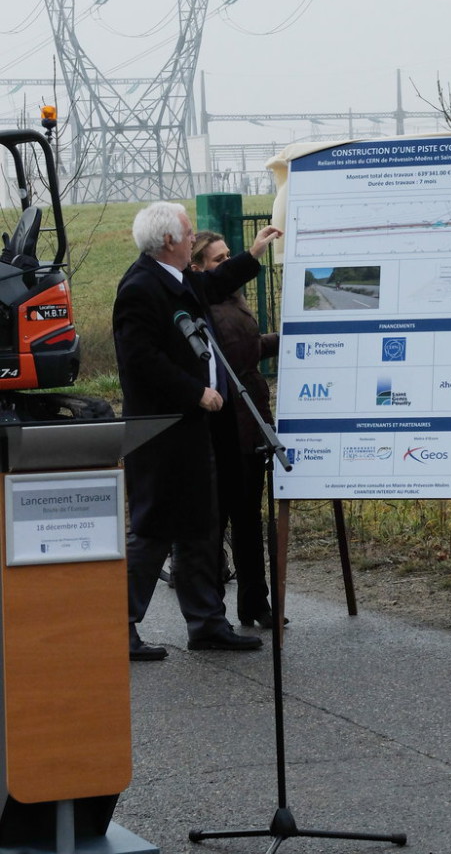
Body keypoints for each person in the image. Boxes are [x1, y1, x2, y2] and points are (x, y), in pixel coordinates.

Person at [113, 201, 282, 660]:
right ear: (168, 241)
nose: (194, 239)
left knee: (199, 527)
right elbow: (141, 361)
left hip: (194, 429)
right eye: (188, 234)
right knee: (153, 529)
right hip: (161, 431)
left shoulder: (178, 279)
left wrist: (252, 256)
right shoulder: (141, 288)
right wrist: (194, 392)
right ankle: (117, 628)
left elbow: (213, 283)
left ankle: (206, 624)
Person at [191, 230, 279, 629]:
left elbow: (247, 348)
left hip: (251, 417)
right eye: (218, 259)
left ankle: (255, 604)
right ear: (198, 268)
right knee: (219, 522)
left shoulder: (232, 299)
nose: (226, 264)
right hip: (222, 424)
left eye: (229, 256)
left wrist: (281, 339)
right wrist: (252, 254)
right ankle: (213, 615)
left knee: (249, 519)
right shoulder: (201, 301)